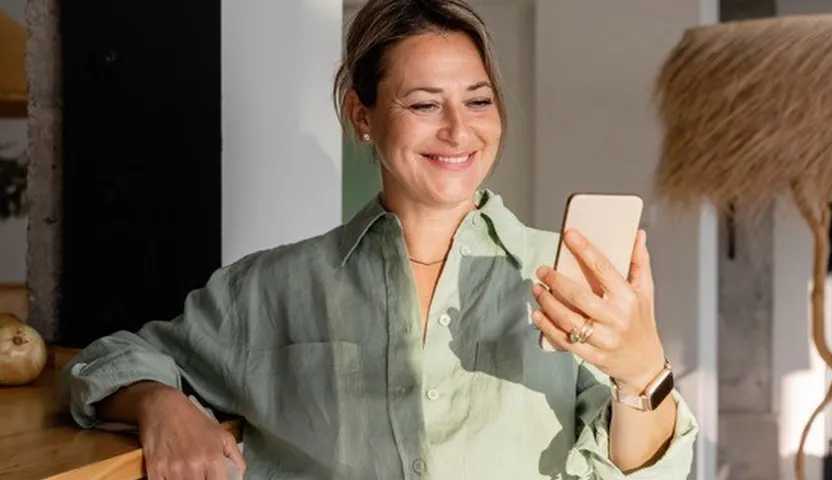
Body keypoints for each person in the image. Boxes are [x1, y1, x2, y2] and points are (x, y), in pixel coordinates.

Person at [61, 0, 698, 478]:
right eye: (424, 104)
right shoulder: (272, 288)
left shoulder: (566, 277)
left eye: (478, 101)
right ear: (362, 117)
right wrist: (158, 404)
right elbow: (108, 359)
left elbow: (643, 471)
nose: (458, 131)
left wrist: (641, 371)